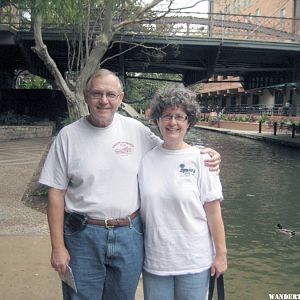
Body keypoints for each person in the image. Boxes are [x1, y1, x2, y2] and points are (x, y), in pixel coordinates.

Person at [39, 69, 221, 300]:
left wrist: (203, 154)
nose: (104, 100)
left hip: (129, 233)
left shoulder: (135, 130)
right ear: (86, 96)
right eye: (97, 94)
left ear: (121, 97)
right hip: (83, 235)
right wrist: (58, 247)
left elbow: (172, 148)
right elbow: (55, 194)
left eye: (110, 94)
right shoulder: (68, 136)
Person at [138, 86, 227, 300]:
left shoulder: (202, 159)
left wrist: (221, 255)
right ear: (157, 119)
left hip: (194, 260)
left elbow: (214, 213)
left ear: (189, 121)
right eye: (167, 116)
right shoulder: (145, 159)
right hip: (155, 261)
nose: (172, 122)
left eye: (180, 116)